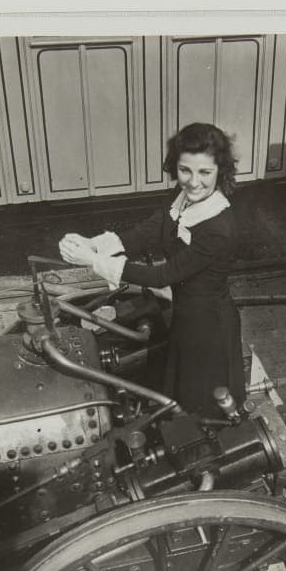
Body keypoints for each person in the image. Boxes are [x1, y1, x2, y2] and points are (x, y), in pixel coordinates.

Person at [59, 123, 245, 418]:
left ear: (220, 171)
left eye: (205, 173)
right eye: (185, 170)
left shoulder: (218, 227)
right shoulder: (183, 196)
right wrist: (95, 244)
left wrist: (93, 262)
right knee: (182, 391)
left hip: (208, 326)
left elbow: (162, 276)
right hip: (187, 315)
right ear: (175, 166)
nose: (193, 182)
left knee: (203, 402)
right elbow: (153, 229)